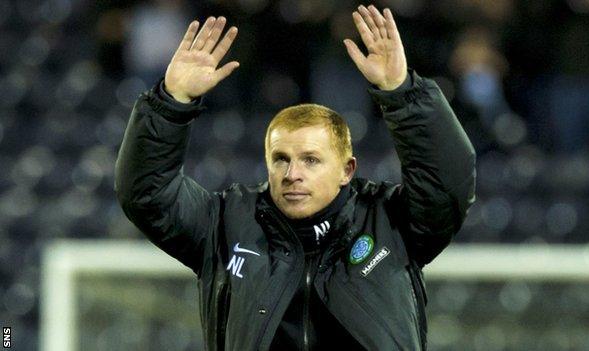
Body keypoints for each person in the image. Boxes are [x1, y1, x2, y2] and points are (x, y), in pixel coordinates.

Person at [115, 4, 475, 351]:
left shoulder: (391, 222)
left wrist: (402, 92)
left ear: (347, 170)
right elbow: (147, 193)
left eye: (311, 160)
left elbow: (447, 184)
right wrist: (171, 101)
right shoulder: (224, 225)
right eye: (281, 160)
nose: (292, 174)